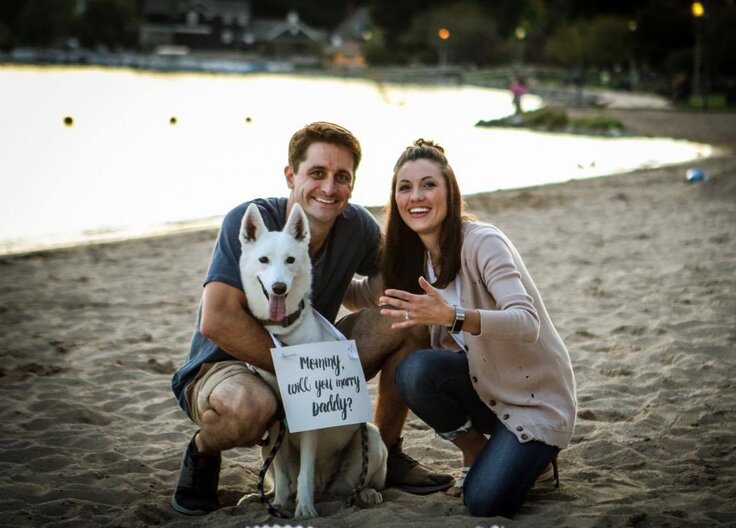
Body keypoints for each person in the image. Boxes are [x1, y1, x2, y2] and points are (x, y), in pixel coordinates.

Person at [170, 122, 452, 516]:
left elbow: (390, 276)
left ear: (352, 184)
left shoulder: (357, 227)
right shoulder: (251, 222)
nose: (329, 188)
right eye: (317, 173)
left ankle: (383, 452)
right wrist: (299, 373)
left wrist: (428, 223)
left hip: (314, 350)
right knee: (249, 407)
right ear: (291, 176)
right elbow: (216, 321)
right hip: (227, 364)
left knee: (407, 322)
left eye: (342, 177)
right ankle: (202, 453)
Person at [377, 139, 577, 518]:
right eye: (405, 187)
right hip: (485, 389)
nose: (416, 196)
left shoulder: (483, 242)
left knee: (485, 503)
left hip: (533, 400)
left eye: (428, 184)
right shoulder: (414, 257)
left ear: (450, 190)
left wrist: (452, 315)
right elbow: (368, 295)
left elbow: (526, 321)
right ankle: (475, 449)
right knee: (415, 371)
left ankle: (538, 463)